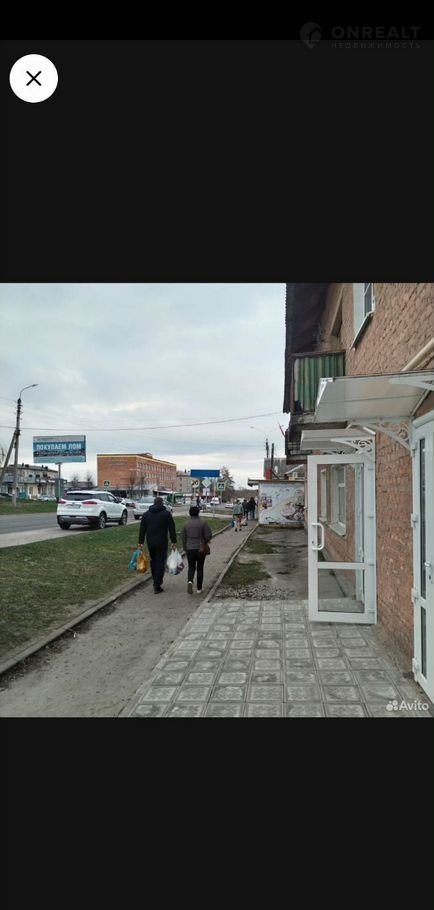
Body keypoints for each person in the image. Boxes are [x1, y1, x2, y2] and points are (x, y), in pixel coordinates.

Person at [138, 496, 177, 594]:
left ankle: (155, 579)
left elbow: (142, 529)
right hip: (162, 542)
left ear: (154, 503)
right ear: (162, 503)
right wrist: (174, 541)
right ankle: (157, 584)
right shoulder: (166, 514)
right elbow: (172, 528)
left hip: (150, 542)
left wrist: (141, 542)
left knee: (153, 561)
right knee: (160, 562)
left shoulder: (146, 515)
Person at [181, 505, 212, 595]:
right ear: (198, 512)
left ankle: (190, 581)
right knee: (200, 568)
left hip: (189, 549)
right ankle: (199, 588)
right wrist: (205, 541)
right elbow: (208, 535)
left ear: (189, 513)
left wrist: (185, 548)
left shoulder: (186, 524)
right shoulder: (203, 523)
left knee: (191, 567)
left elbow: (183, 538)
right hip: (200, 549)